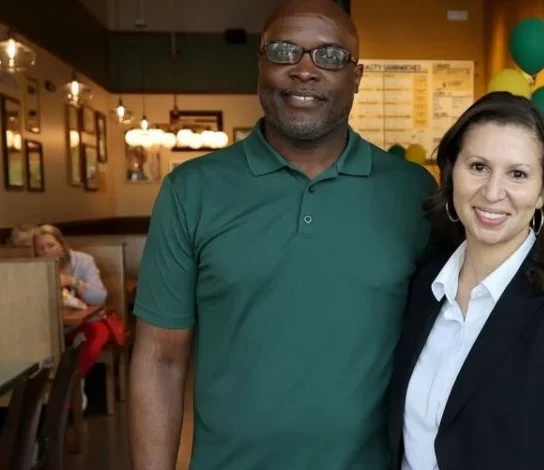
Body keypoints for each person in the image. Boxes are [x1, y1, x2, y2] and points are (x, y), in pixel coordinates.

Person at [128, 0, 436, 469]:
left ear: (357, 76)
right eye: (284, 51)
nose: (305, 71)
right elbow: (160, 360)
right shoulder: (191, 191)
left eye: (330, 56)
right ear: (260, 65)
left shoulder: (413, 193)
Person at [387, 92, 544, 470]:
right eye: (478, 167)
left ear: (543, 191)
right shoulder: (425, 285)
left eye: (517, 174)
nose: (493, 192)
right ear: (451, 171)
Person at [34, 224, 112, 409]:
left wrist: (73, 282)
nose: (46, 251)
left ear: (61, 245)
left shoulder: (83, 261)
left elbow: (100, 296)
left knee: (87, 341)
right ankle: (43, 397)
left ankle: (70, 391)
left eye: (51, 245)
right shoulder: (35, 267)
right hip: (55, 325)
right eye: (40, 248)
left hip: (90, 320)